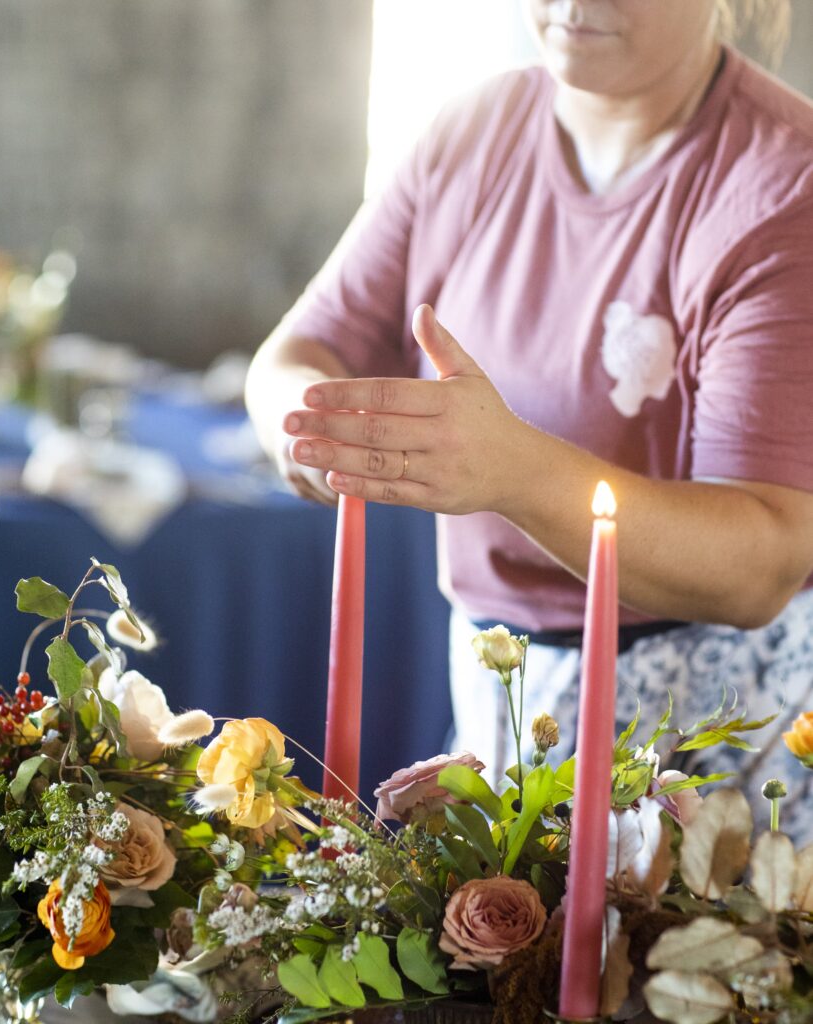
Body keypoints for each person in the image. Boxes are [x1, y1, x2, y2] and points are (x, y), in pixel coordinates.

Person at [245, 0, 813, 839]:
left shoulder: (780, 185)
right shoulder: (472, 130)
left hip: (712, 726)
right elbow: (297, 354)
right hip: (500, 686)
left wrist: (513, 472)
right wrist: (314, 430)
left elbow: (760, 560)